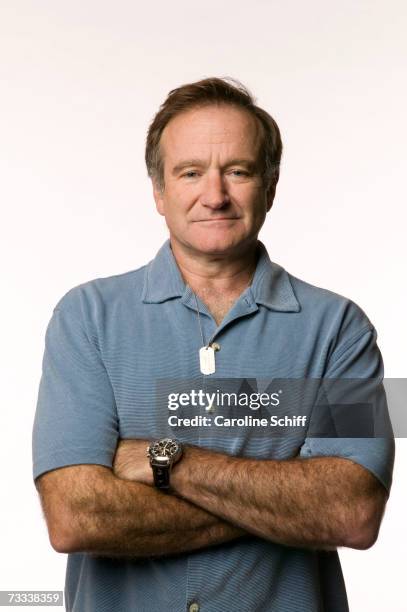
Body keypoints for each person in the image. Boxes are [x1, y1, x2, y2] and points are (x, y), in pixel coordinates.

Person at [33, 77, 395, 612]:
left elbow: (354, 513)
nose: (216, 195)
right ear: (159, 191)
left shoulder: (345, 328)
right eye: (190, 172)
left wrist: (170, 463)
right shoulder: (82, 318)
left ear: (270, 186)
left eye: (238, 171)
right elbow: (73, 518)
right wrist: (283, 506)